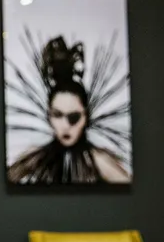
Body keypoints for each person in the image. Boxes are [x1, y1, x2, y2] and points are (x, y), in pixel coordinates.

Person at [7, 35, 131, 184]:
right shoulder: (34, 158)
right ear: (48, 116)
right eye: (57, 115)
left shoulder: (100, 161)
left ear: (86, 117)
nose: (65, 126)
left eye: (74, 117)